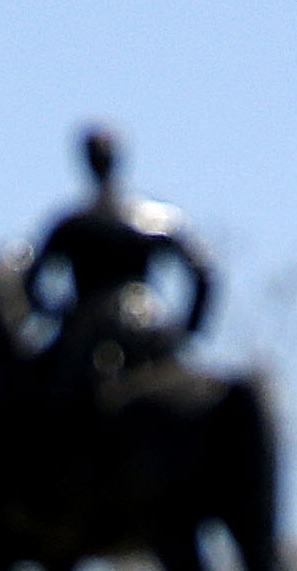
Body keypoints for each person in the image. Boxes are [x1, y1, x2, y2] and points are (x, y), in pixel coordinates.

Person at [23, 124, 217, 403]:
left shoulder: (72, 226)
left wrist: (57, 313)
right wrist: (188, 330)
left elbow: (32, 284)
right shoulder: (156, 219)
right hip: (152, 323)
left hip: (91, 328)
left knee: (55, 403)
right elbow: (204, 271)